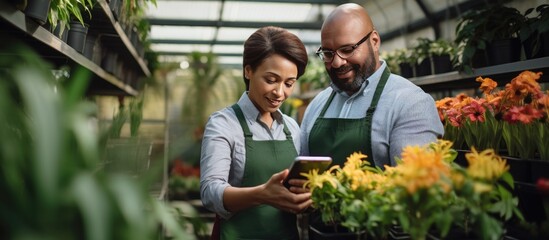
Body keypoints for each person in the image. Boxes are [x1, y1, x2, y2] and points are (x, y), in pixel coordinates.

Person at [200, 26, 312, 240]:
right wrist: (262, 195)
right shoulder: (223, 124)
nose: (280, 93)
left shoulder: (291, 127)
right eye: (271, 80)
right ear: (248, 70)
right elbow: (210, 192)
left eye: (289, 83)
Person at [300, 3, 444, 169]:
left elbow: (413, 184)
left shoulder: (410, 103)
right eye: (328, 53)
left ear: (374, 41)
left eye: (347, 50)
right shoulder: (318, 104)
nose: (338, 62)